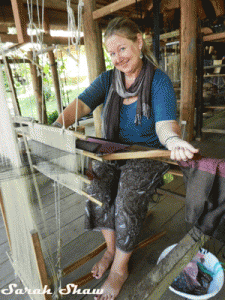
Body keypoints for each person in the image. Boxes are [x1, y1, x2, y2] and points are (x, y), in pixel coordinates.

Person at [53, 16, 198, 300]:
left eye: (122, 49)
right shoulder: (108, 80)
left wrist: (175, 141)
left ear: (138, 42)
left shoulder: (159, 81)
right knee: (96, 187)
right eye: (111, 53)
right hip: (112, 150)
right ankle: (110, 250)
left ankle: (120, 268)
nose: (117, 58)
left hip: (148, 154)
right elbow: (81, 104)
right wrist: (57, 126)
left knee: (127, 199)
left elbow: (164, 126)